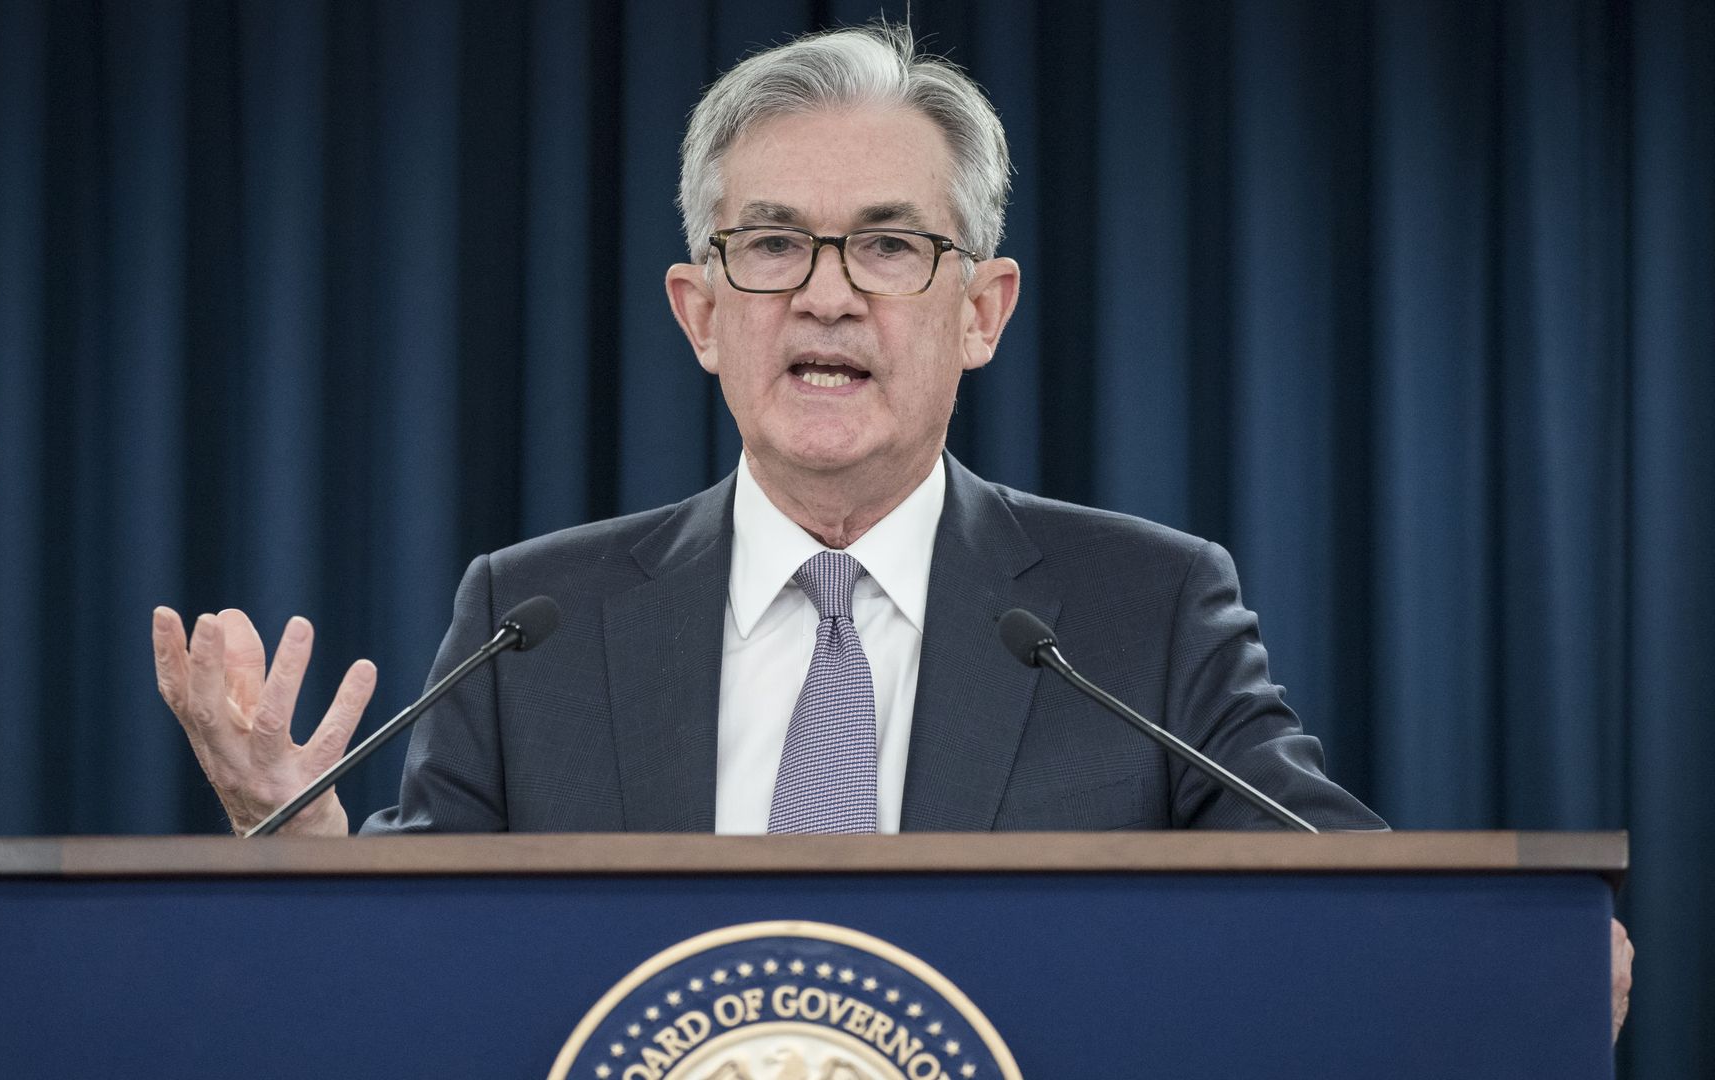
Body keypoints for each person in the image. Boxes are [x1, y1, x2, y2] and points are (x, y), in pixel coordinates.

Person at [149, 22, 1632, 1037]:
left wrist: (1507, 963)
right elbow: (427, 988)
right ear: (700, 309)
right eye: (774, 242)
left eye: (891, 244)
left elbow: (1338, 900)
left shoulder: (1143, 610)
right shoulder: (533, 617)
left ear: (981, 309)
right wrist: (313, 839)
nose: (829, 293)